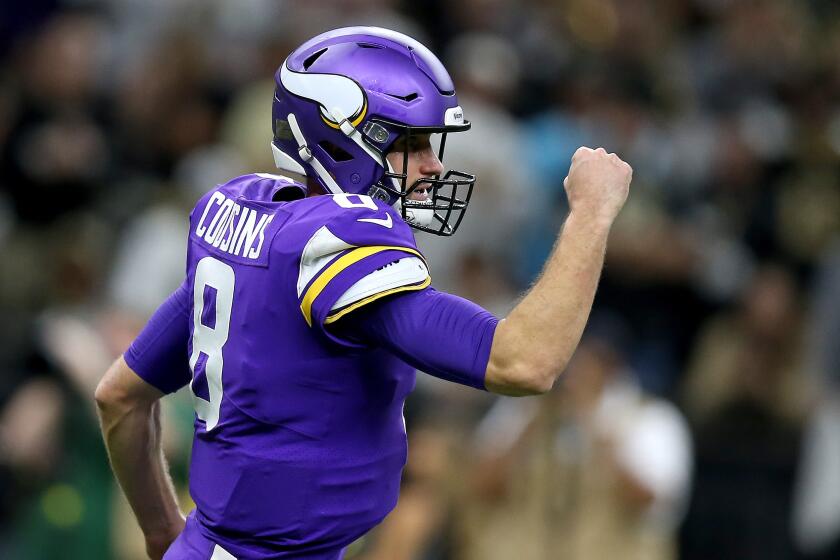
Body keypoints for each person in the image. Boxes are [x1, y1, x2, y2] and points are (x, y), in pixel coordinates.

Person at [94, 26, 632, 560]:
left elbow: (119, 396)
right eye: (411, 144)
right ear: (340, 140)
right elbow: (523, 363)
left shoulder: (252, 231)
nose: (434, 165)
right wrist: (591, 213)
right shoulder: (333, 242)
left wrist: (166, 535)